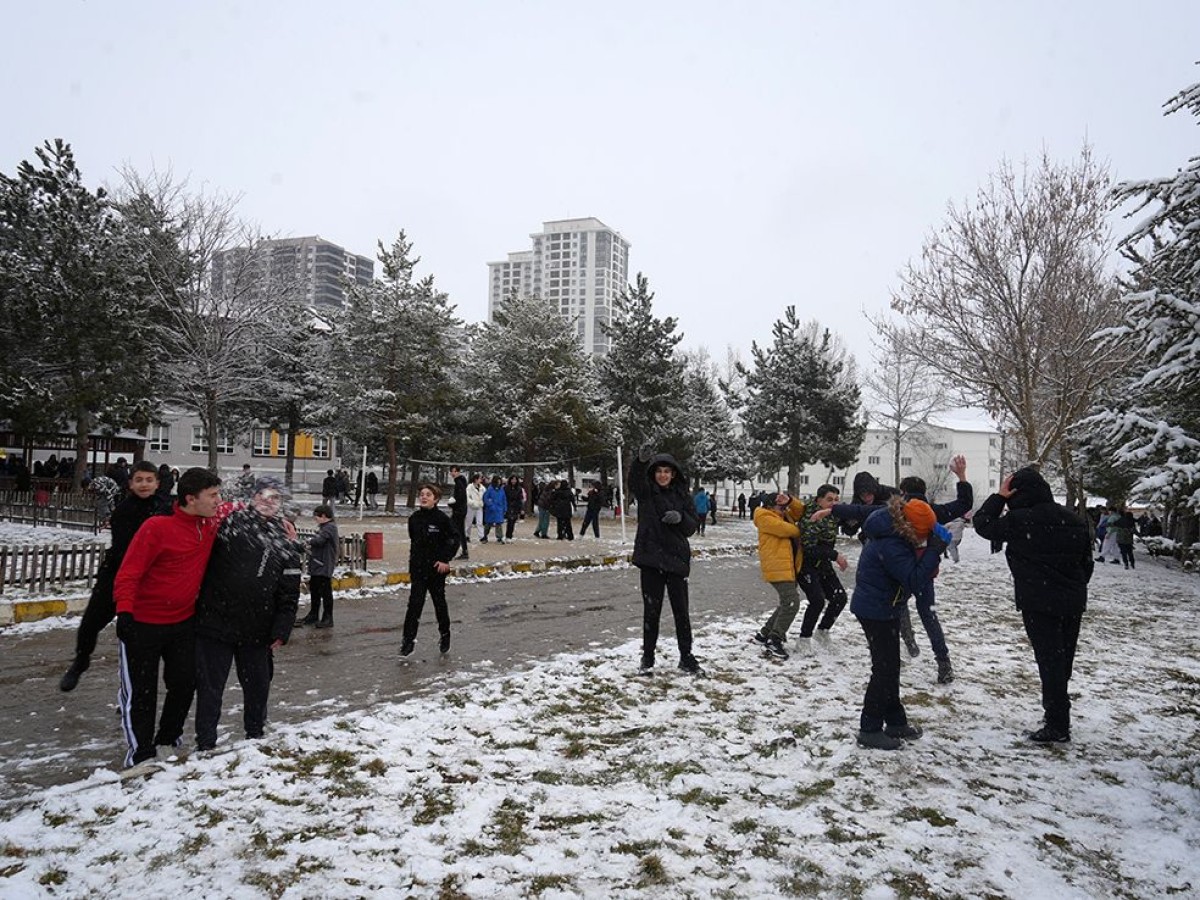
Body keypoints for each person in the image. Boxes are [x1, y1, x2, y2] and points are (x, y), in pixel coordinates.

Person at [112, 467, 226, 772]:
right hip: (142, 623)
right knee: (142, 692)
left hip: (182, 623)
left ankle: (167, 739)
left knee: (185, 683)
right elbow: (129, 572)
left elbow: (237, 511)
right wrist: (124, 611)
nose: (218, 500)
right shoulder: (157, 528)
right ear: (191, 498)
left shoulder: (209, 524)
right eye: (212, 495)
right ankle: (141, 754)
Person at [973, 467, 1094, 743]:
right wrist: (1074, 586)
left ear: (1016, 493)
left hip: (1039, 601)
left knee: (1049, 659)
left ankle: (1057, 724)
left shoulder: (1019, 520)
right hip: (1072, 600)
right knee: (1062, 659)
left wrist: (999, 497)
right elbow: (1087, 563)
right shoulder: (1073, 520)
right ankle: (1057, 709)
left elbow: (982, 524)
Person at [193, 477, 301, 752]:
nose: (267, 501)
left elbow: (289, 588)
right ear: (252, 498)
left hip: (258, 627)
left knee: (257, 687)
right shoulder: (230, 523)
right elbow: (205, 516)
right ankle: (205, 743)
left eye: (274, 497)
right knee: (210, 688)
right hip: (216, 622)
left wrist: (282, 628)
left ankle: (254, 735)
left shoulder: (285, 538)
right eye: (262, 495)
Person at [848, 497, 948, 750]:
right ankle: (869, 728)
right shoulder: (891, 544)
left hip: (884, 607)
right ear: (912, 528)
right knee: (884, 669)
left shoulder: (894, 532)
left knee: (890, 667)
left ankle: (895, 721)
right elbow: (914, 579)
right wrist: (934, 550)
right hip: (875, 610)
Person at [60, 462, 170, 692]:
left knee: (135, 642)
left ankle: (129, 693)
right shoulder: (124, 510)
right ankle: (81, 660)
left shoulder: (165, 507)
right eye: (139, 480)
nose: (144, 484)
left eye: (149, 480)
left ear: (157, 483)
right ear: (130, 483)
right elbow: (125, 550)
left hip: (151, 579)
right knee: (91, 622)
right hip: (118, 573)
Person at [895, 456, 974, 683]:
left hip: (903, 572)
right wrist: (961, 476)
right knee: (929, 615)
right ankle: (943, 662)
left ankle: (908, 641)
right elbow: (964, 504)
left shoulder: (899, 511)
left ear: (903, 492)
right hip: (925, 573)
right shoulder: (932, 511)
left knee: (898, 606)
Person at [631, 449, 702, 675]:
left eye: (667, 472)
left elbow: (691, 527)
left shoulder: (682, 497)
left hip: (676, 561)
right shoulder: (646, 493)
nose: (663, 475)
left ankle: (686, 656)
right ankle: (648, 657)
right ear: (654, 474)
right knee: (652, 611)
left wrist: (680, 519)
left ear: (673, 475)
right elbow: (634, 480)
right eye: (659, 471)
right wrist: (640, 462)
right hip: (651, 559)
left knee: (681, 612)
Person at [400, 483, 460, 657]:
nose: (424, 497)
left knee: (439, 603)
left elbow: (454, 539)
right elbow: (415, 541)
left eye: (428, 495)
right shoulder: (414, 518)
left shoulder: (442, 519)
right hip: (419, 568)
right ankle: (407, 641)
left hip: (436, 569)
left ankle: (445, 634)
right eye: (422, 494)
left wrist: (445, 559)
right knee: (414, 605)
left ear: (436, 499)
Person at [750, 491, 806, 660]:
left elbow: (800, 512)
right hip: (777, 567)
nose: (784, 509)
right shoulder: (764, 516)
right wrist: (801, 529)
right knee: (791, 603)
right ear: (770, 505)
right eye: (780, 506)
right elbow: (788, 530)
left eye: (784, 506)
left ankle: (764, 634)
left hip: (788, 566)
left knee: (786, 602)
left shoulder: (782, 515)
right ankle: (775, 640)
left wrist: (790, 500)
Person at [795, 484, 850, 639]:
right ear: (819, 500)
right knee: (817, 601)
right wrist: (835, 555)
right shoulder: (811, 516)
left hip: (823, 564)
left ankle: (823, 631)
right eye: (829, 499)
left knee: (839, 598)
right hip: (807, 564)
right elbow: (809, 549)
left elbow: (851, 521)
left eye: (836, 500)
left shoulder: (833, 514)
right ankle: (804, 638)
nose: (833, 503)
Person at [298, 505, 338, 627]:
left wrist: (309, 541)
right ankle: (313, 614)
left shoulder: (330, 528)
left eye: (317, 516)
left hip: (324, 564)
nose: (315, 519)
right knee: (315, 590)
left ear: (324, 516)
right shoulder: (324, 527)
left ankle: (328, 617)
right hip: (317, 564)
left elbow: (320, 541)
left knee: (325, 592)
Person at [448, 466, 469, 560]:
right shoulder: (460, 482)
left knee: (453, 530)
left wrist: (452, 504)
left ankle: (451, 551)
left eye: (455, 471)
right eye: (452, 471)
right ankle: (464, 551)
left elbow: (460, 498)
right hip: (461, 510)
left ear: (458, 472)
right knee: (460, 531)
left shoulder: (459, 483)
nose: (453, 473)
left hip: (459, 511)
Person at [482, 475, 507, 544]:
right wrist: (490, 505)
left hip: (499, 509)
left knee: (499, 524)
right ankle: (484, 536)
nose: (499, 482)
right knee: (488, 524)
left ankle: (499, 538)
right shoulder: (490, 489)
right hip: (491, 510)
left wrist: (505, 508)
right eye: (498, 481)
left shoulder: (502, 490)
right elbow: (486, 498)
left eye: (500, 481)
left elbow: (504, 499)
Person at [466, 472, 486, 542]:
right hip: (471, 507)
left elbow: (485, 497)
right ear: (475, 479)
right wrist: (472, 503)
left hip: (479, 507)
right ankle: (467, 536)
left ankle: (482, 537)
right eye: (479, 478)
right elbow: (467, 497)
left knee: (479, 522)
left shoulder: (483, 488)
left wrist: (481, 504)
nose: (481, 480)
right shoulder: (469, 487)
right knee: (469, 522)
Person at [504, 474, 524, 540]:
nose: (513, 481)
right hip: (508, 505)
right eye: (512, 479)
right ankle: (508, 535)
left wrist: (521, 508)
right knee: (510, 520)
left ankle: (510, 535)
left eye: (515, 479)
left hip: (515, 506)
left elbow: (520, 499)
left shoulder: (519, 488)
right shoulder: (506, 487)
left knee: (513, 521)